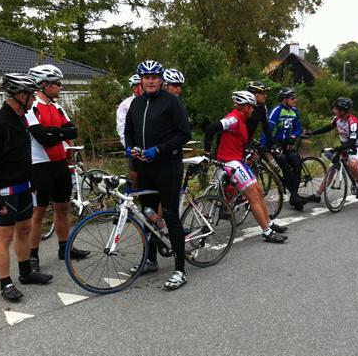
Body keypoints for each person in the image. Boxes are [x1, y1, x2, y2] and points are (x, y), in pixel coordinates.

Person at [0, 74, 53, 302]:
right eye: (32, 95)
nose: (34, 99)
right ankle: (5, 284)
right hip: (5, 191)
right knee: (4, 237)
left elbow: (24, 155)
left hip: (24, 187)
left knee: (24, 229)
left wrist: (32, 181)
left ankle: (26, 272)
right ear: (21, 96)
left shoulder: (21, 120)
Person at [124, 60, 192, 290]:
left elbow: (184, 134)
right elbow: (129, 132)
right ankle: (151, 260)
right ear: (141, 80)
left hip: (168, 166)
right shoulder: (136, 103)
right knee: (147, 214)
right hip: (145, 167)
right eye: (146, 77)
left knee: (170, 215)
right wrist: (130, 148)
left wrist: (159, 149)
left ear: (161, 80)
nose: (150, 81)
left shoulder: (171, 101)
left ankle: (180, 270)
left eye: (154, 77)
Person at [25, 64, 89, 273]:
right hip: (39, 166)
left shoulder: (57, 107)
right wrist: (59, 132)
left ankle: (65, 248)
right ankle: (32, 256)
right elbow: (41, 137)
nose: (61, 87)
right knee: (38, 213)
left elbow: (73, 131)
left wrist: (54, 132)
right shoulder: (31, 107)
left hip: (60, 163)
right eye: (57, 83)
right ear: (44, 85)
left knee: (63, 209)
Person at [204, 91, 288, 243]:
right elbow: (211, 129)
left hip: (238, 159)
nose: (253, 110)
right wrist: (207, 152)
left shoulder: (242, 120)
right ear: (244, 107)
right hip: (229, 161)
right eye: (252, 107)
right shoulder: (233, 119)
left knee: (259, 190)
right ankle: (267, 232)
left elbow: (237, 141)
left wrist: (247, 152)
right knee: (252, 195)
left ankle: (269, 222)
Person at [306, 97, 358, 200]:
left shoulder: (353, 122)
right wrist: (312, 133)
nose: (333, 110)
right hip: (343, 146)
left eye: (335, 109)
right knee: (331, 170)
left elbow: (352, 142)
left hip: (355, 147)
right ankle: (317, 195)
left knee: (352, 164)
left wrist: (336, 148)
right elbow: (328, 127)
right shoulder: (337, 118)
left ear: (342, 111)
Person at [265, 87, 307, 210]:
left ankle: (294, 195)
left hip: (288, 143)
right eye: (292, 98)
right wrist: (266, 144)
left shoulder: (294, 111)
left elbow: (298, 128)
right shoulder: (276, 111)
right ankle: (295, 197)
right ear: (285, 99)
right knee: (285, 165)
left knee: (297, 164)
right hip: (276, 143)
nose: (295, 100)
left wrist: (293, 137)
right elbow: (267, 130)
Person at [116, 74, 143, 188]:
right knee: (134, 174)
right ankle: (134, 194)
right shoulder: (126, 104)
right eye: (134, 87)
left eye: (139, 86)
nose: (137, 89)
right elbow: (121, 126)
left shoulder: (151, 101)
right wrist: (127, 145)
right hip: (134, 145)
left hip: (148, 144)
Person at [245, 81, 273, 147]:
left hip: (247, 142)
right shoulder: (244, 107)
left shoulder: (261, 107)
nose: (265, 96)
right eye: (263, 94)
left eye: (265, 94)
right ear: (255, 94)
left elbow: (266, 127)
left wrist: (272, 143)